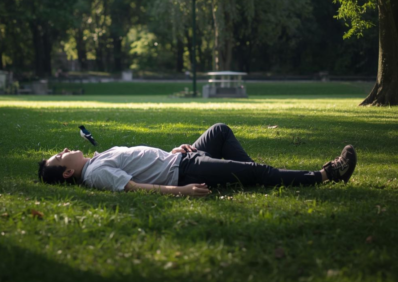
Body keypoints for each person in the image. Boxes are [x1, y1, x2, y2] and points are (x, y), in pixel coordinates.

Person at [38, 123, 357, 197]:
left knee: (219, 131)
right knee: (256, 171)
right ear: (66, 173)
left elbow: (143, 162)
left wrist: (172, 152)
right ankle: (328, 175)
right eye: (59, 156)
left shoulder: (95, 160)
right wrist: (182, 191)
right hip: (184, 172)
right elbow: (134, 186)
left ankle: (255, 177)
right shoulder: (95, 174)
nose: (64, 150)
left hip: (179, 159)